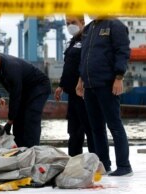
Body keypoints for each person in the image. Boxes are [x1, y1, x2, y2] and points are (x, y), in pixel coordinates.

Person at [76, 16, 133, 176]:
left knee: (114, 125)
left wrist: (119, 77)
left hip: (107, 83)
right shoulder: (88, 29)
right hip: (89, 85)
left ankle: (124, 166)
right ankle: (104, 165)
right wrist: (81, 80)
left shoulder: (115, 25)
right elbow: (84, 57)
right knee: (97, 128)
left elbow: (122, 51)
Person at [0, 47, 51, 148]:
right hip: (24, 89)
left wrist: (9, 121)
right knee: (18, 119)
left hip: (38, 87)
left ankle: (33, 149)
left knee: (30, 117)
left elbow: (15, 96)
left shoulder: (11, 69)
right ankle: (20, 147)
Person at [54, 15, 95, 157]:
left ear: (82, 22)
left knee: (89, 128)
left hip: (84, 92)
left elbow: (87, 63)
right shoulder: (72, 42)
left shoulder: (88, 40)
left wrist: (81, 81)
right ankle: (74, 160)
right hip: (72, 93)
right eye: (67, 23)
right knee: (74, 130)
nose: (70, 25)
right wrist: (61, 85)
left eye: (73, 22)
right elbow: (68, 67)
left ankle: (95, 160)